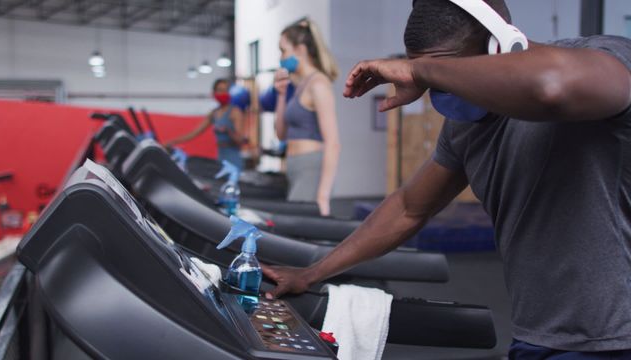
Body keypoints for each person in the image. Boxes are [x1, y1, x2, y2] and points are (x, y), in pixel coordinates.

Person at [263, 0, 631, 358]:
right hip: (537, 334)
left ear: (503, 46)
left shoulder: (601, 57)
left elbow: (552, 88)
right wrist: (312, 273)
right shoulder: (465, 127)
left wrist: (421, 72)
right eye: (434, 84)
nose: (445, 94)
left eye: (447, 77)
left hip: (616, 339)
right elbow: (409, 208)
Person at [274, 19, 341, 216]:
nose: (281, 57)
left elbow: (333, 143)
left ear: (300, 50)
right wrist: (280, 93)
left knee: (297, 229)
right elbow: (281, 134)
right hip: (295, 166)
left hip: (311, 167)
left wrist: (323, 195)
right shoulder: (299, 86)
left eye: (283, 50)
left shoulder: (319, 84)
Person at [165, 79, 246, 170]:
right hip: (220, 157)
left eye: (225, 90)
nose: (223, 93)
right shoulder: (214, 113)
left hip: (233, 157)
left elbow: (240, 140)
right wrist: (171, 142)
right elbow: (193, 133)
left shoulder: (235, 112)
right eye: (220, 90)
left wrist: (228, 131)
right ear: (214, 93)